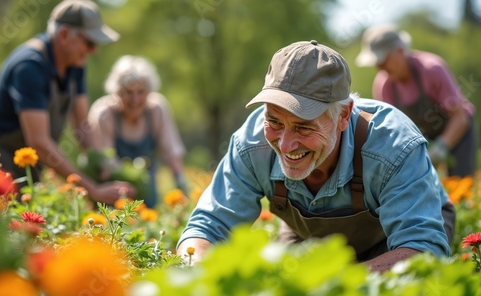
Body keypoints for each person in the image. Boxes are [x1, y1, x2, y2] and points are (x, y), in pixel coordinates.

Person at [176, 40, 454, 273]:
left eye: (303, 126)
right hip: (309, 237)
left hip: (395, 239)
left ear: (343, 115)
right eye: (274, 121)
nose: (285, 144)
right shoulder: (251, 145)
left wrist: (337, 281)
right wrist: (194, 272)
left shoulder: (393, 145)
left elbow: (422, 249)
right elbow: (209, 227)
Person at [0, 0, 135, 205]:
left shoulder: (75, 64)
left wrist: (103, 166)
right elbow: (39, 142)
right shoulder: (29, 67)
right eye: (90, 42)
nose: (94, 50)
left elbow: (83, 127)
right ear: (63, 34)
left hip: (32, 166)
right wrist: (92, 189)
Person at [355, 24, 476, 177]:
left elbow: (460, 117)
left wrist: (441, 147)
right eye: (376, 62)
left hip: (458, 131)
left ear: (400, 51)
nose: (379, 66)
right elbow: (391, 132)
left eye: (383, 59)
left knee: (460, 181)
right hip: (424, 139)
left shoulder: (432, 69)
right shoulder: (383, 85)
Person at [88, 55, 188, 208]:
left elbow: (171, 151)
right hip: (112, 189)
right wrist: (126, 187)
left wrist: (181, 185)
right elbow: (105, 162)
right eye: (128, 92)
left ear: (149, 91)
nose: (135, 99)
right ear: (116, 92)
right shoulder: (104, 114)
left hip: (147, 187)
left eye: (141, 92)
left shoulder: (157, 110)